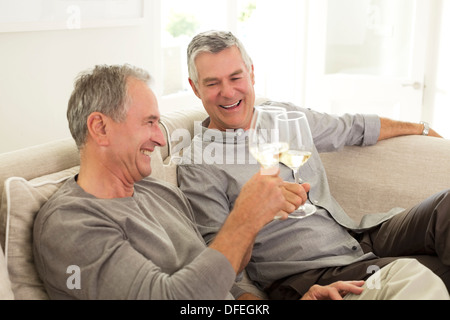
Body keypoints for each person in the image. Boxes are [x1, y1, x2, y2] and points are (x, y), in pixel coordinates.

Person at [32, 63, 374, 300]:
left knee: (411, 275)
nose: (161, 140)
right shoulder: (72, 224)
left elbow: (224, 276)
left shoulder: (159, 192)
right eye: (149, 123)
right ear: (100, 128)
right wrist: (246, 216)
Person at [177, 30, 450, 300]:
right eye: (213, 83)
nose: (227, 92)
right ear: (195, 87)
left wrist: (422, 128)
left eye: (235, 77)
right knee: (425, 276)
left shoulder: (283, 116)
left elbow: (350, 127)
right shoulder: (198, 163)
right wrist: (254, 214)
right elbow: (220, 268)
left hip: (356, 235)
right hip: (309, 273)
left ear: (251, 73)